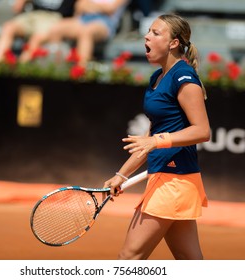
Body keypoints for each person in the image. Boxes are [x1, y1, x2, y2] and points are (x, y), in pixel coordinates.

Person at [103, 14, 210, 260]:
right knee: (190, 261)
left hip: (173, 182)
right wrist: (122, 174)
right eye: (148, 31)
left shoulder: (184, 78)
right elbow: (152, 135)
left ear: (173, 43)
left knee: (129, 258)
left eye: (155, 33)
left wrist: (156, 141)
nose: (147, 36)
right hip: (171, 178)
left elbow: (202, 131)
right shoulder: (157, 78)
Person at [19, 0, 130, 65]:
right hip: (83, 19)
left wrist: (90, 6)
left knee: (86, 33)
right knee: (55, 29)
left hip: (104, 23)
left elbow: (110, 9)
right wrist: (99, 7)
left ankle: (81, 75)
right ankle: (55, 69)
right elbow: (79, 5)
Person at [0, 0, 76, 66]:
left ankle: (19, 70)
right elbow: (16, 8)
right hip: (33, 15)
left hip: (55, 19)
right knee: (8, 27)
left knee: (36, 38)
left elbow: (80, 10)